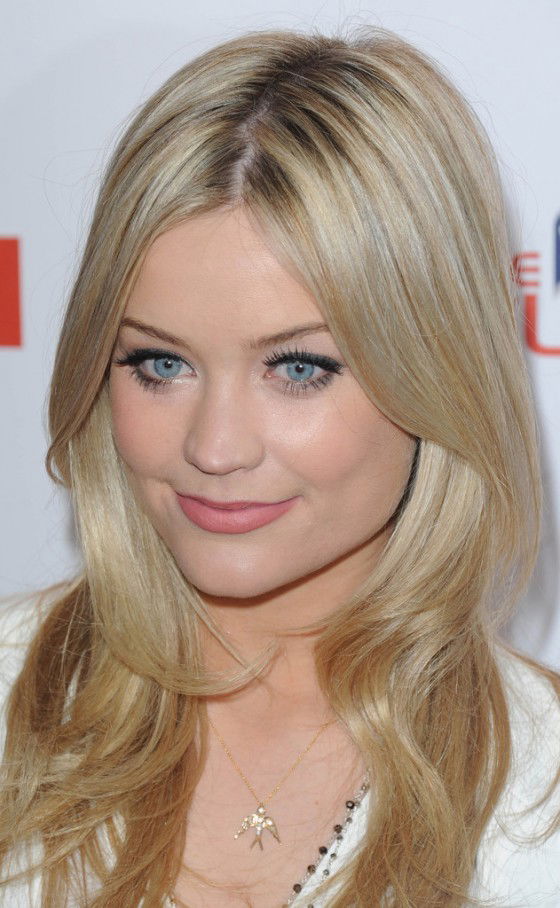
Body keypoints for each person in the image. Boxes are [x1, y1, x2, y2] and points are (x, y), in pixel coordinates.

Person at [1, 23, 560, 908]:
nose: (215, 448)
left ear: (437, 370)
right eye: (160, 363)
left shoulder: (541, 788)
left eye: (299, 369)